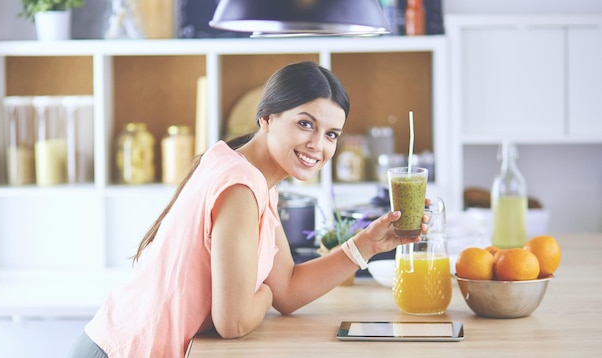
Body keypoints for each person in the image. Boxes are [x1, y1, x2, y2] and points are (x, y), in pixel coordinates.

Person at [67, 61, 423, 357]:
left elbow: (286, 289)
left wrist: (367, 245)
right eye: (305, 124)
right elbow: (233, 321)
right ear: (266, 118)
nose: (318, 145)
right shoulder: (240, 186)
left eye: (332, 134)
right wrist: (262, 292)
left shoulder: (252, 179)